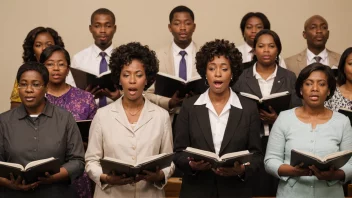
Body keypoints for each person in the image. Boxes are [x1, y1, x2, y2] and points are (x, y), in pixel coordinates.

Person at [173, 39, 263, 198]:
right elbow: (178, 152)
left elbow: (256, 155)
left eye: (224, 68)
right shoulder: (189, 106)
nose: (218, 73)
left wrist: (241, 170)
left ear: (232, 72)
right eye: (212, 68)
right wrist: (192, 165)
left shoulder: (248, 108)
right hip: (197, 191)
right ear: (204, 73)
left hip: (236, 191)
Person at [85, 42, 174, 198]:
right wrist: (106, 177)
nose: (132, 80)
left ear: (147, 80)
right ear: (119, 79)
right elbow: (91, 160)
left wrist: (159, 175)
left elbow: (169, 162)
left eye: (139, 75)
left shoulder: (161, 116)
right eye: (126, 74)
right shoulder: (102, 115)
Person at [264, 63, 352, 198]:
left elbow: (351, 164)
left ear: (329, 90)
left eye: (321, 84)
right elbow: (270, 160)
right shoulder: (284, 118)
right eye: (309, 83)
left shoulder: (343, 121)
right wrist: (294, 171)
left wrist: (334, 174)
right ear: (300, 89)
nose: (315, 88)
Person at [0, 62, 85, 198]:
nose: (28, 89)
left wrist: (55, 176)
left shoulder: (65, 118)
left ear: (46, 87)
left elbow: (78, 161)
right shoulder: (3, 121)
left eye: (35, 84)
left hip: (56, 193)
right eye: (23, 84)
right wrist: (9, 183)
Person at [233, 29, 301, 196]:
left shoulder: (290, 77)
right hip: (248, 142)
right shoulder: (240, 76)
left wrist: (277, 119)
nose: (266, 50)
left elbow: (298, 114)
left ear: (278, 49)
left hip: (280, 143)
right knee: (250, 188)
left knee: (276, 188)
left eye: (271, 46)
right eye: (261, 46)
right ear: (254, 50)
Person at [40, 45, 97, 198]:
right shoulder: (36, 99)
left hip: (78, 170)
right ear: (42, 68)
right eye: (50, 64)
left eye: (61, 64)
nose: (56, 68)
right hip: (43, 171)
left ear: (68, 68)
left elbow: (96, 140)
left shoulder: (86, 98)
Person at [145, 5, 199, 125]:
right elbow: (146, 94)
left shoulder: (205, 55)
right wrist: (169, 102)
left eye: (187, 23)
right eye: (177, 23)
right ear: (170, 27)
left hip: (198, 119)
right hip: (166, 119)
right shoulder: (157, 56)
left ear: (194, 27)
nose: (183, 28)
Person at [10, 27, 76, 109]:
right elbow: (15, 112)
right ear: (32, 50)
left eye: (49, 44)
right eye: (38, 45)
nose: (44, 48)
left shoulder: (64, 70)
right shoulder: (25, 74)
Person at [71, 8, 120, 108]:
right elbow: (70, 94)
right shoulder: (79, 59)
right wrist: (84, 97)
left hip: (118, 114)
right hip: (88, 115)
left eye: (108, 26)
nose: (102, 30)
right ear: (90, 28)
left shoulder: (123, 58)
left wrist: (120, 97)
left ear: (114, 28)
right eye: (97, 26)